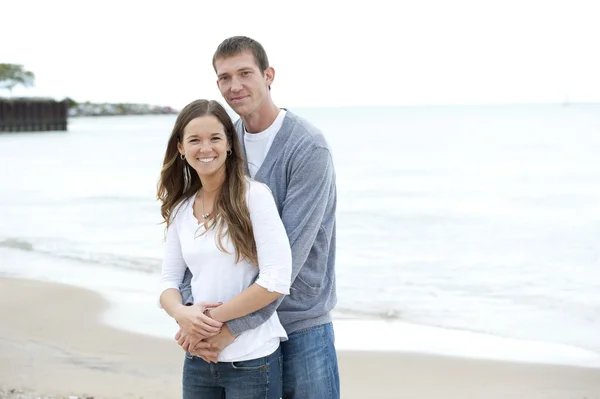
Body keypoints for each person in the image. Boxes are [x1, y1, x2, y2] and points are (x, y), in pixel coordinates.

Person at [178, 36, 340, 398]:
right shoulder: (222, 143)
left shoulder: (307, 148)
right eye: (224, 77)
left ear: (268, 75)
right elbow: (195, 235)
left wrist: (230, 327)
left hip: (299, 324)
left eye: (245, 73)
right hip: (237, 326)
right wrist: (192, 314)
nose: (235, 86)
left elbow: (290, 259)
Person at [157, 99, 292, 398]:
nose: (206, 148)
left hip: (252, 359)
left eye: (215, 138)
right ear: (180, 148)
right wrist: (183, 314)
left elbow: (276, 281)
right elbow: (168, 282)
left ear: (229, 144)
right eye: (195, 140)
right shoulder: (181, 209)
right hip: (198, 356)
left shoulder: (254, 196)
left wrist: (207, 321)